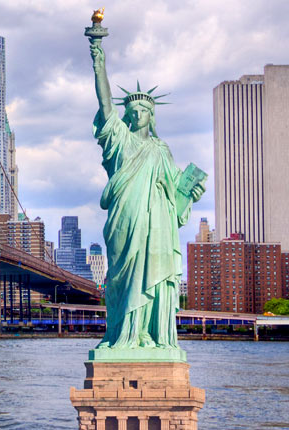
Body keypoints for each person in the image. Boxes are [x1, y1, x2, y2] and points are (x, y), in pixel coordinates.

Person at [89, 36, 204, 350]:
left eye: (144, 109)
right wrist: (99, 63)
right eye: (134, 108)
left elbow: (176, 190)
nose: (138, 112)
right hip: (125, 221)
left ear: (152, 116)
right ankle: (122, 334)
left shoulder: (160, 149)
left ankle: (148, 335)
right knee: (123, 278)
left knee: (151, 274)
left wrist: (192, 190)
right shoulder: (120, 141)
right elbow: (105, 104)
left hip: (156, 224)